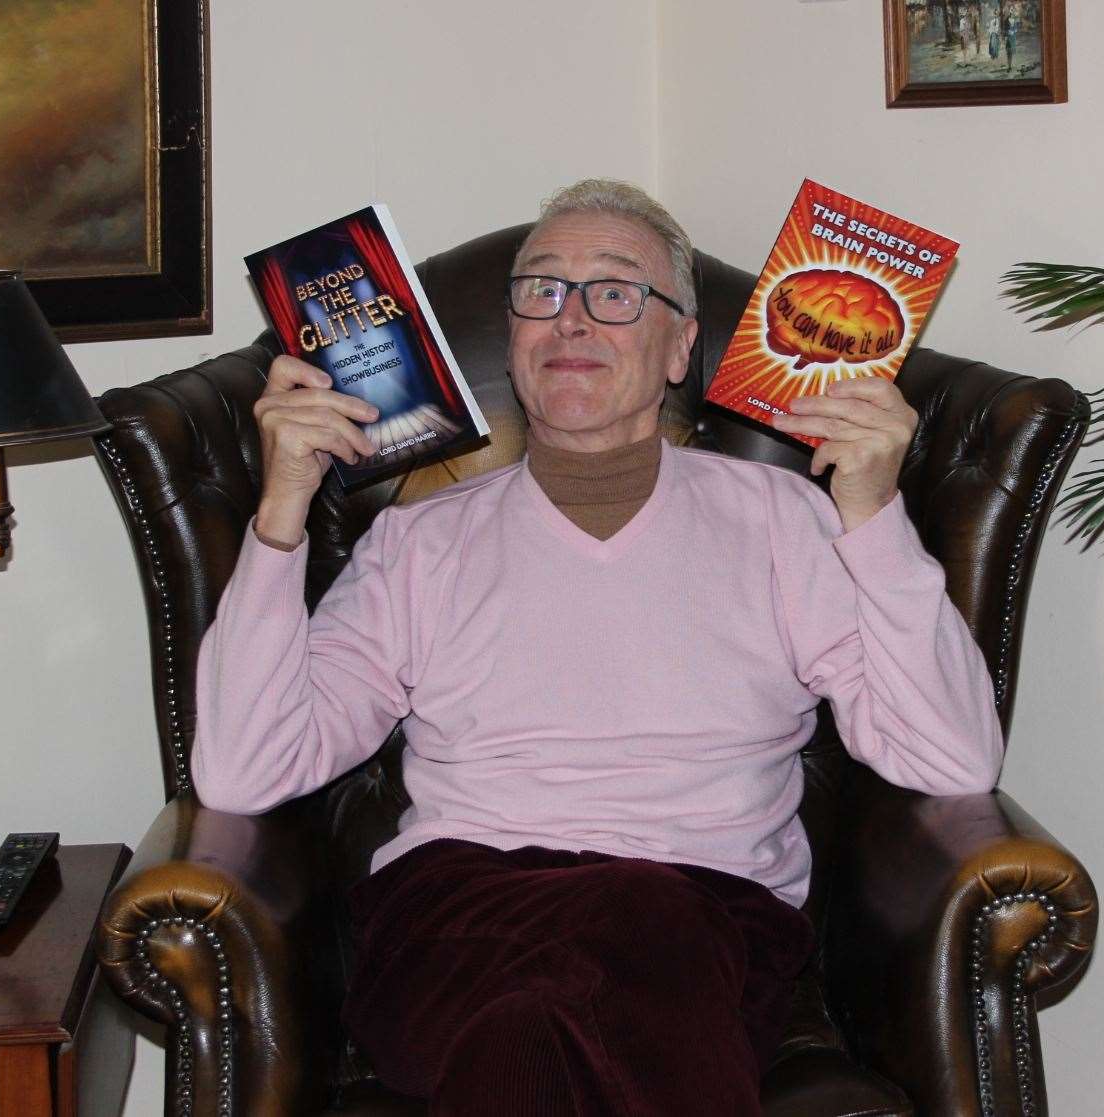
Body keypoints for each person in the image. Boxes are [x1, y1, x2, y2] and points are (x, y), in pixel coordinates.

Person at [192, 179, 1003, 1115]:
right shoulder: (419, 540)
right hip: (454, 914)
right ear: (513, 331)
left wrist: (872, 514)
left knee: (563, 990)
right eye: (540, 291)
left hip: (705, 915)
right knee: (587, 958)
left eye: (615, 293)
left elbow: (950, 752)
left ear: (680, 348)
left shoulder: (787, 520)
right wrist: (282, 511)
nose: (569, 320)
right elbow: (244, 773)